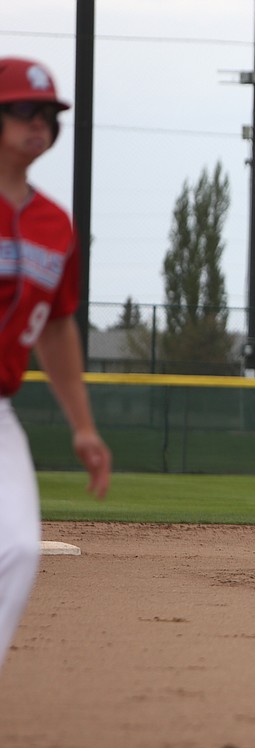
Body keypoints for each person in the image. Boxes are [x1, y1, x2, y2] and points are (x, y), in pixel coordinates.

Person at [0, 57, 112, 676]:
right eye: (22, 109)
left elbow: (60, 326)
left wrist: (84, 426)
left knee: (16, 547)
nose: (38, 122)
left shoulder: (54, 224)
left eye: (47, 113)